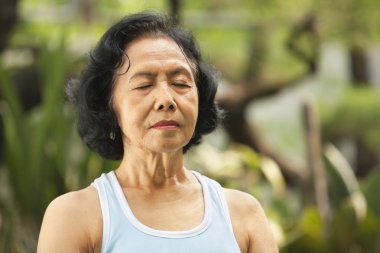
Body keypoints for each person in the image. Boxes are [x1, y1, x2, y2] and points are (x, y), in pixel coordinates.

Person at [37, 12, 278, 253]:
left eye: (181, 83)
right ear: (108, 105)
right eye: (144, 85)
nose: (166, 100)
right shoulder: (76, 216)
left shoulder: (243, 214)